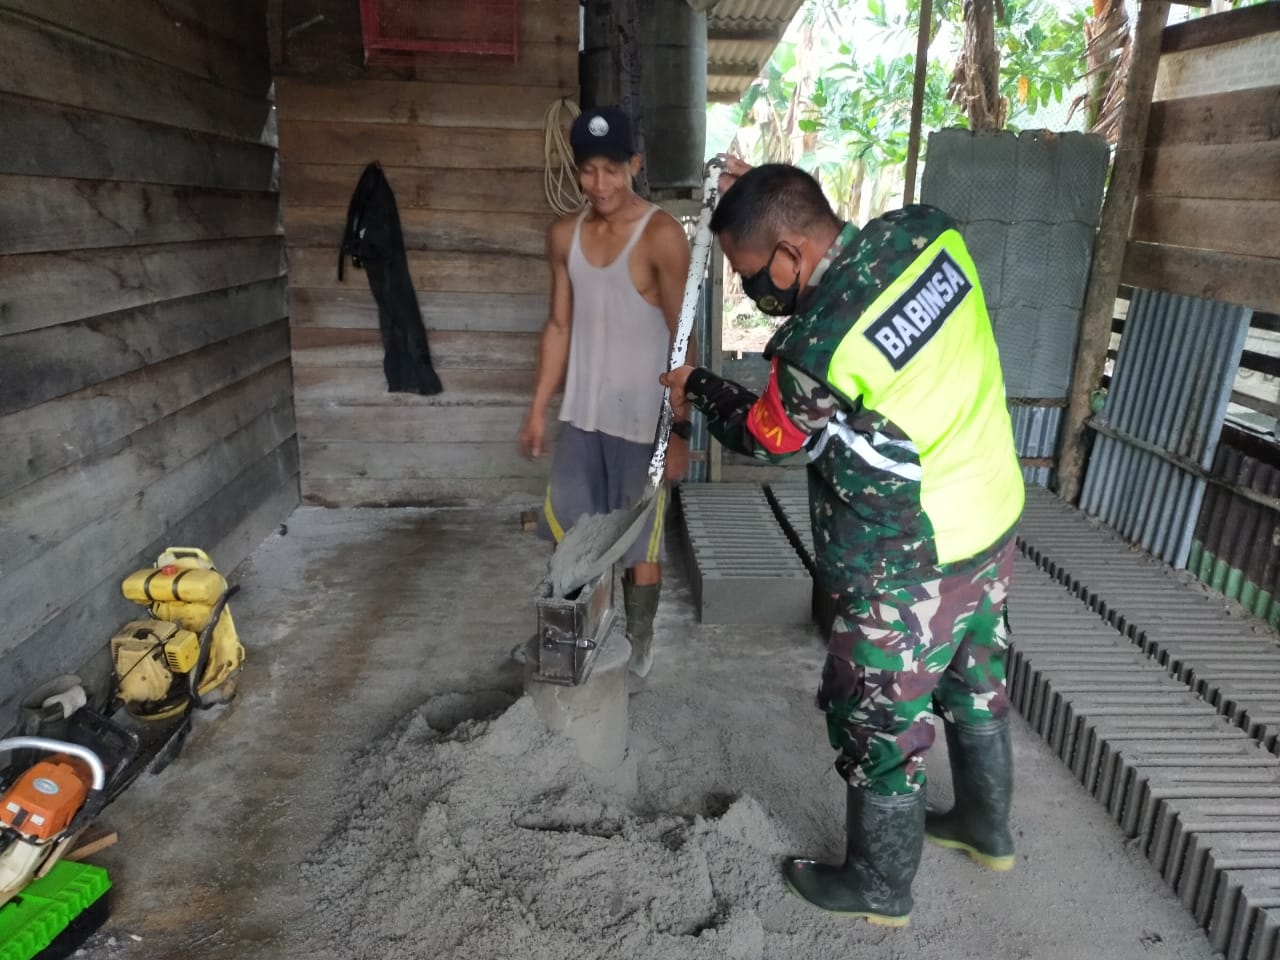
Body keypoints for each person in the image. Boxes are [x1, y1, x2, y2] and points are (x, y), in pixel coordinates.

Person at [661, 161, 1024, 927]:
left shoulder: (819, 349)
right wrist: (753, 187)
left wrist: (696, 382)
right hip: (990, 516)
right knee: (975, 681)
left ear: (789, 255)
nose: (753, 288)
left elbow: (768, 436)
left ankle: (879, 885)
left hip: (910, 563)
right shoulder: (928, 233)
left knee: (878, 722)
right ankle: (986, 830)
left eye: (751, 272)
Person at [517, 106, 692, 684]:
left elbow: (681, 339)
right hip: (585, 418)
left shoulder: (662, 236)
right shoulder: (563, 236)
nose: (601, 184)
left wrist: (682, 432)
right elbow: (558, 327)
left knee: (640, 546)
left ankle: (639, 641)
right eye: (589, 171)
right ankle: (587, 630)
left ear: (634, 165)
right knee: (576, 529)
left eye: (613, 170)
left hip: (644, 424)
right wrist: (540, 407)